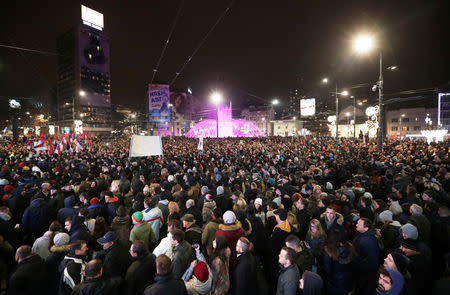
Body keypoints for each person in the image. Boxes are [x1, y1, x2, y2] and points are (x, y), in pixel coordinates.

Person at [352, 218, 380, 295]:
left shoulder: (368, 241)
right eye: (357, 223)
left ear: (366, 228)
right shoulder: (362, 235)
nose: (356, 224)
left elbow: (373, 262)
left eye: (359, 224)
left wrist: (357, 262)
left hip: (364, 274)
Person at [323, 229, 354, 295]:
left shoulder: (329, 253)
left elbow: (327, 270)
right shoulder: (350, 247)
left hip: (334, 284)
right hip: (349, 281)